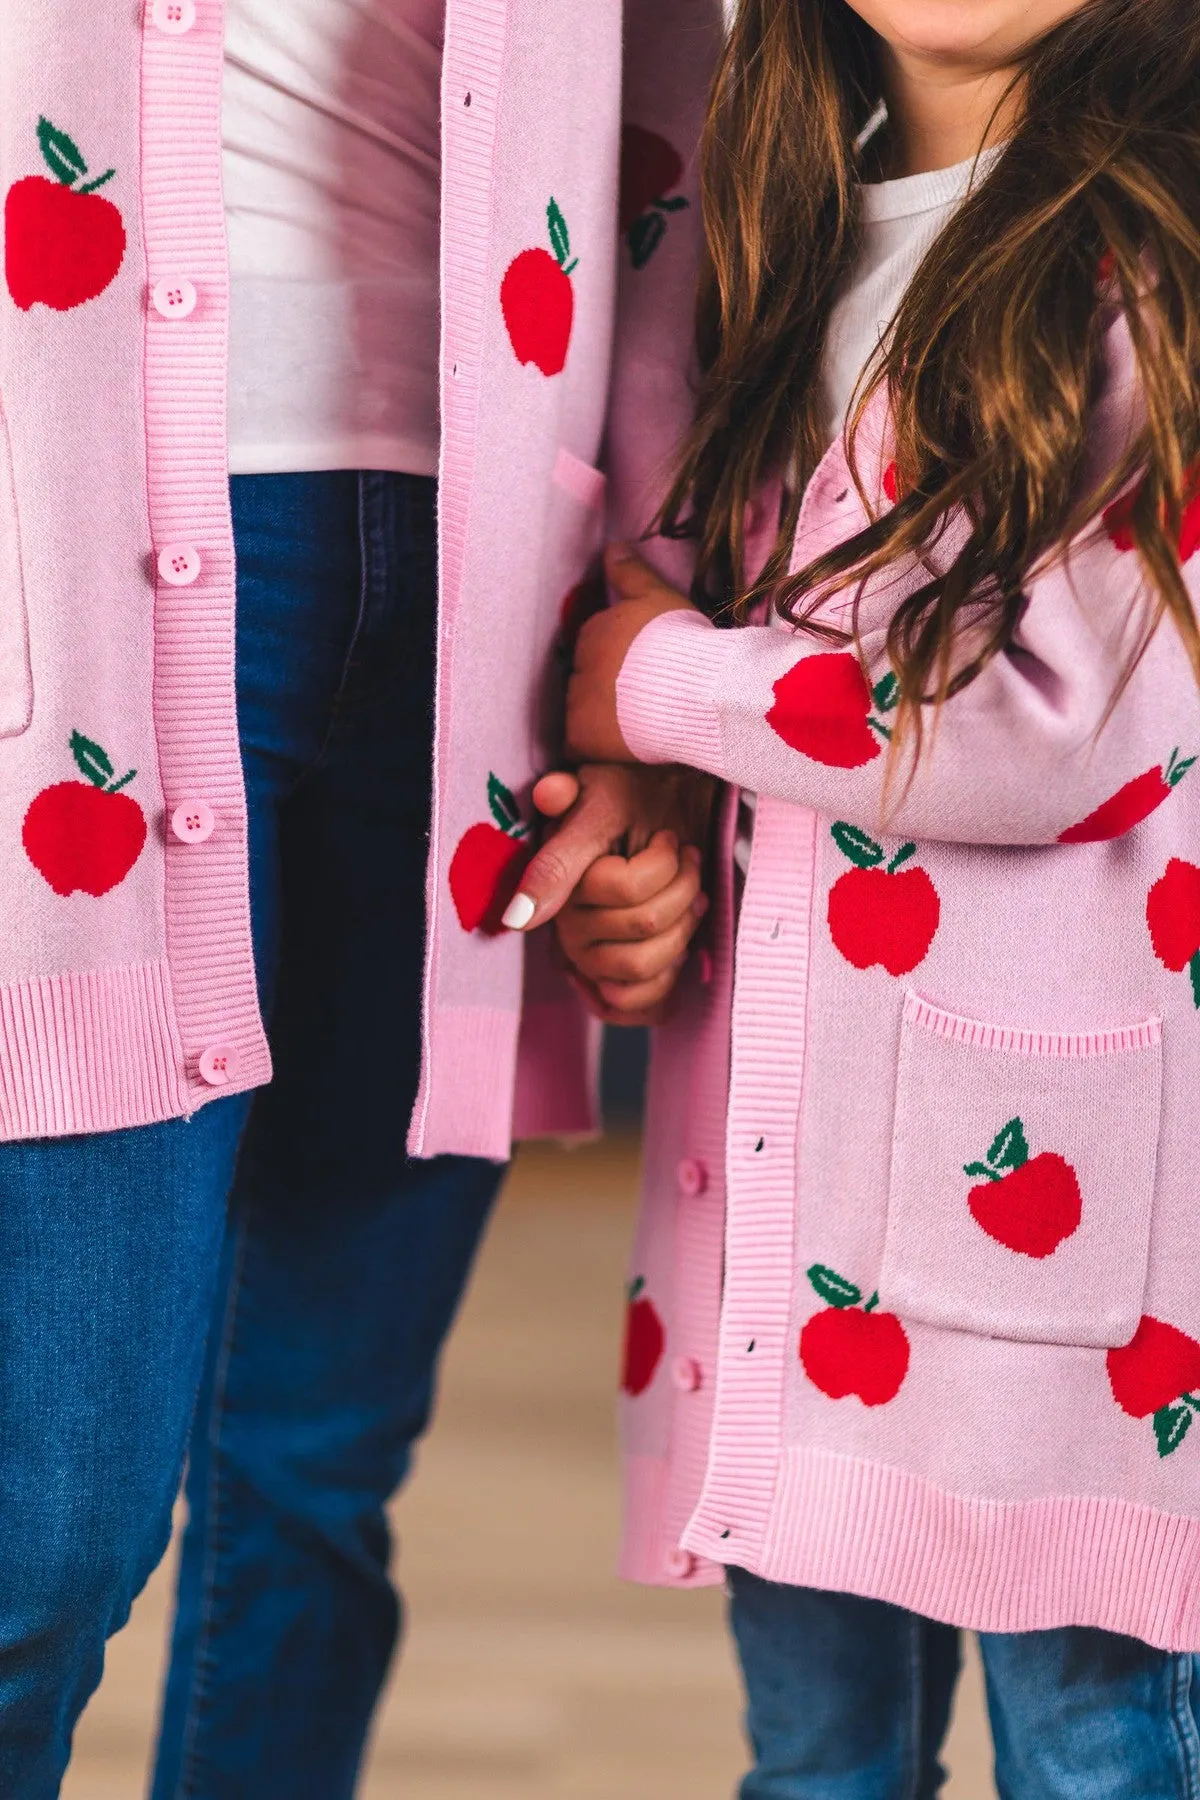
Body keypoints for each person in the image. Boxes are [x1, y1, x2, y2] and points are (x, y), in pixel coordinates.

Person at [0, 0, 720, 1793]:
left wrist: (655, 619)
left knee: (317, 1462)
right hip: (69, 594)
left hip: (492, 585)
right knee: (49, 1534)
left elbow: (678, 126)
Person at [521, 0, 1200, 1791]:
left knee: (1090, 1746)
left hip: (1062, 1245)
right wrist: (657, 851)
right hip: (799, 1213)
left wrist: (661, 686)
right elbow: (783, 751)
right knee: (816, 1757)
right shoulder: (765, 247)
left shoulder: (1154, 256)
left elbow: (1052, 726)